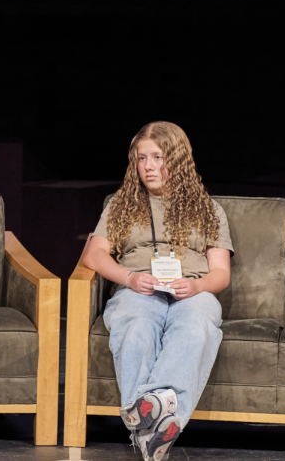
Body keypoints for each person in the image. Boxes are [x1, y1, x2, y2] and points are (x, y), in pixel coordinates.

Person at [81, 121, 233, 461]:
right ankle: (155, 427)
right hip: (139, 289)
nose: (148, 166)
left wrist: (197, 285)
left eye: (157, 157)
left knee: (196, 327)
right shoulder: (122, 204)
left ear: (177, 161)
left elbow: (221, 273)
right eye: (141, 158)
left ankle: (143, 416)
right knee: (136, 326)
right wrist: (129, 278)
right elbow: (93, 255)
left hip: (191, 291)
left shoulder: (208, 209)